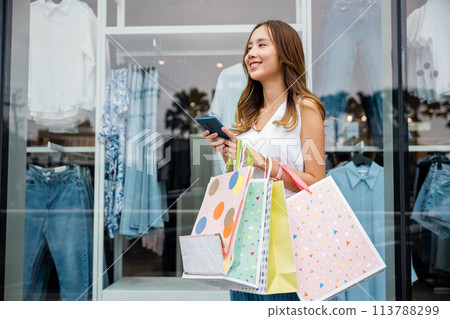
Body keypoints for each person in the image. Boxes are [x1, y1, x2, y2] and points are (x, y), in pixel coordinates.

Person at [203, 20, 326, 301]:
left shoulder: (304, 108)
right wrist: (230, 156)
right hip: (244, 238)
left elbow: (316, 181)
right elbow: (242, 177)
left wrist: (263, 162)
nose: (250, 53)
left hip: (284, 242)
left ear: (285, 54)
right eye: (249, 47)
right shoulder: (247, 114)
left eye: (261, 45)